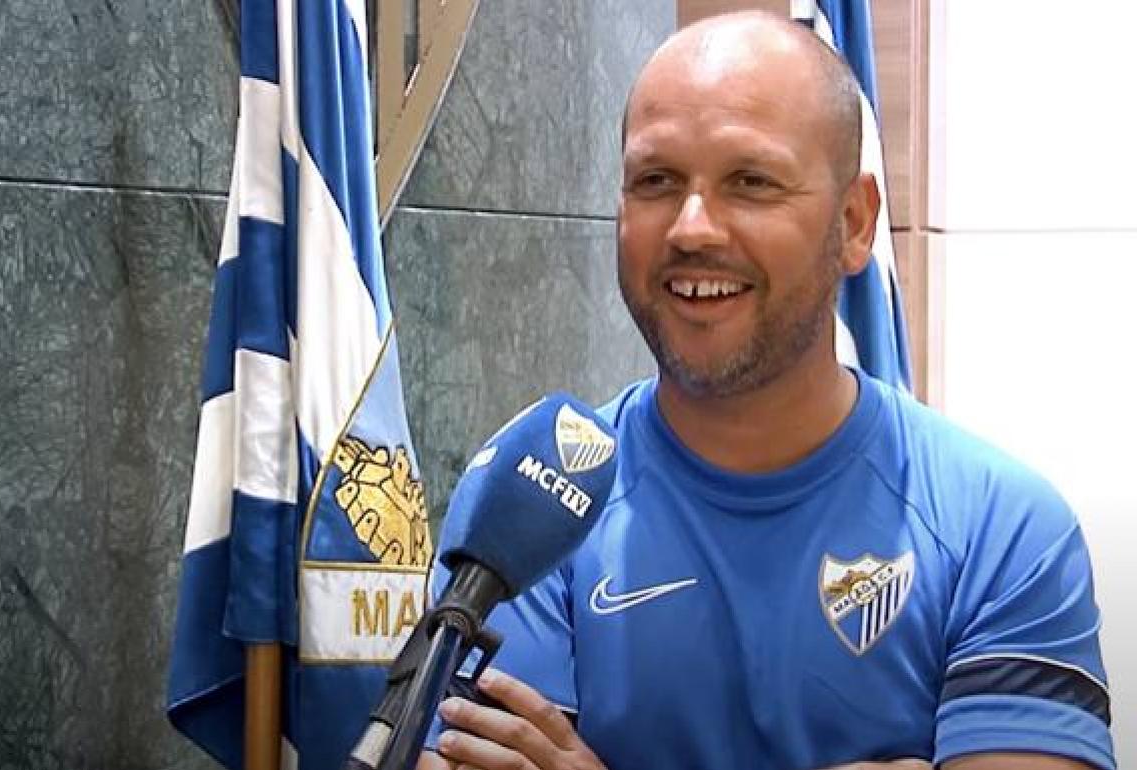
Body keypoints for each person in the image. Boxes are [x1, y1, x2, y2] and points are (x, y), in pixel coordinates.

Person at [419, 11, 1115, 770]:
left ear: (853, 223)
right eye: (656, 180)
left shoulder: (1001, 528)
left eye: (750, 182)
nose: (692, 227)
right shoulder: (537, 506)